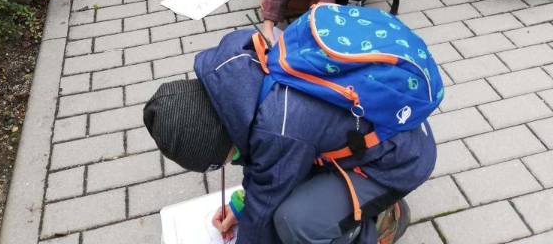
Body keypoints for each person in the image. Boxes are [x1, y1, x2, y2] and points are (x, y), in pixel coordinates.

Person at [143, 28, 436, 244]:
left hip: (397, 160)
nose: (230, 162)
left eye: (224, 160)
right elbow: (266, 170)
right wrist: (240, 205)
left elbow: (265, 206)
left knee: (295, 222)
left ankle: (382, 222)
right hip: (381, 129)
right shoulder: (241, 73)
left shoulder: (277, 128)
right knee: (286, 186)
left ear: (219, 139)